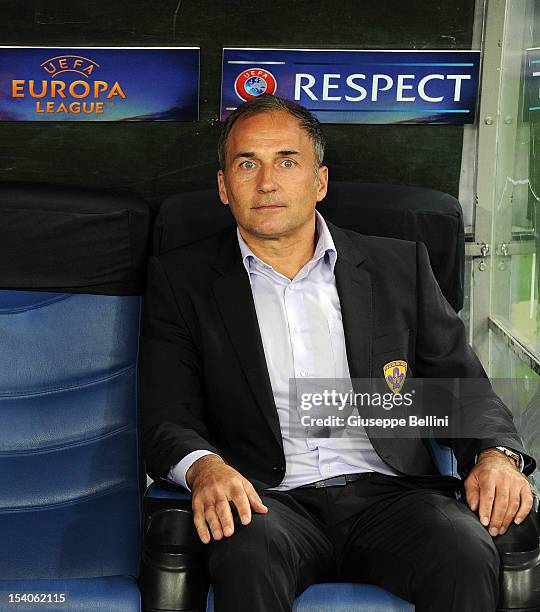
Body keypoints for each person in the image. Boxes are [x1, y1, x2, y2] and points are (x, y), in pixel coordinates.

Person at [141, 94, 536, 612]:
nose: (266, 182)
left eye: (287, 161)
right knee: (247, 557)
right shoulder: (183, 282)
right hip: (266, 499)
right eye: (246, 164)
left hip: (393, 495)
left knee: (463, 550)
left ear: (319, 181)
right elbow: (167, 414)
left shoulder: (399, 268)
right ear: (223, 187)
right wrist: (205, 468)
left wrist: (495, 456)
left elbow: (462, 391)